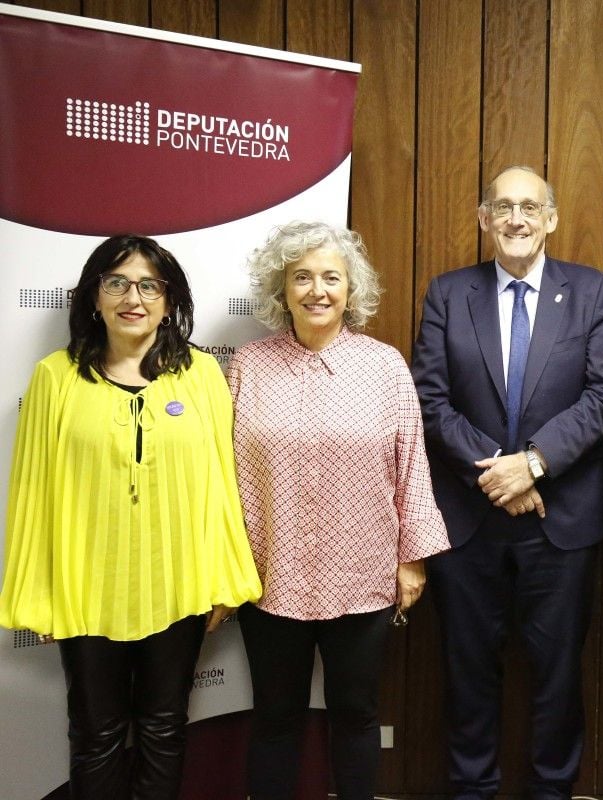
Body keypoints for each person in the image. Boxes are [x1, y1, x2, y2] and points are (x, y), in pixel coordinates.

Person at [0, 235, 261, 798]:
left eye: (149, 285)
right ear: (94, 297)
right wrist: (36, 589)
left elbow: (221, 482)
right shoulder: (55, 378)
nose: (132, 297)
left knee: (165, 728)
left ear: (169, 300)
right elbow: (32, 492)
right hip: (85, 587)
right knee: (95, 732)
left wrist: (224, 576)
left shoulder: (200, 376)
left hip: (179, 585)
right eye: (116, 282)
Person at [411, 165, 603, 800]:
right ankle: (471, 790)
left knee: (558, 677)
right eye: (502, 207)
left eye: (530, 207)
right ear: (484, 219)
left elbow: (602, 396)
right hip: (470, 521)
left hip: (562, 523)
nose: (516, 219)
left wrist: (530, 464)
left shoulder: (592, 292)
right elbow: (430, 398)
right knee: (467, 672)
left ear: (550, 218)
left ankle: (552, 791)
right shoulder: (449, 294)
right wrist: (498, 474)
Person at [228, 221, 449, 800]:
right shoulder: (248, 366)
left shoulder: (384, 366)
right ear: (283, 288)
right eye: (302, 277)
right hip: (269, 574)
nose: (317, 290)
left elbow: (411, 465)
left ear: (352, 289)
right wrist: (224, 566)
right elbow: (221, 475)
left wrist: (413, 560)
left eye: (331, 277)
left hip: (362, 574)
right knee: (275, 715)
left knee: (356, 712)